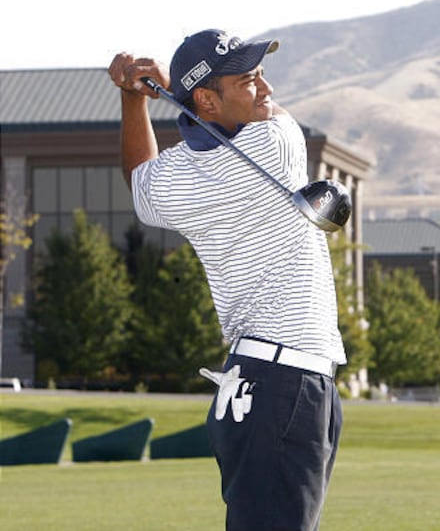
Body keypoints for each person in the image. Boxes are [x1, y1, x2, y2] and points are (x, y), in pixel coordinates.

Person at [108, 28, 345, 531]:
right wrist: (172, 87)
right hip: (286, 381)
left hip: (264, 381)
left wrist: (134, 100)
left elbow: (139, 181)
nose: (267, 91)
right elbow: (272, 119)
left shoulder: (178, 180)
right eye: (249, 80)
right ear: (208, 100)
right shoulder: (274, 143)